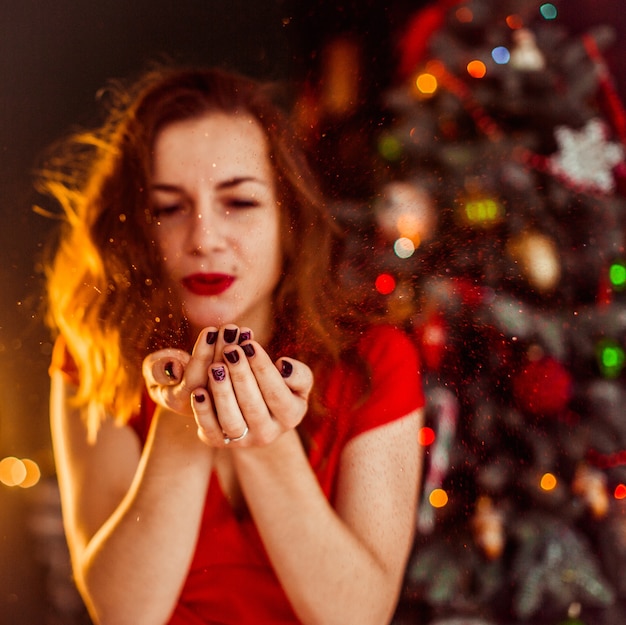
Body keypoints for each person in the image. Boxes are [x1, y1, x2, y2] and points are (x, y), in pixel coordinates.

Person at [41, 65, 425, 625]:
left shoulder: (374, 360)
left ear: (286, 217)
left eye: (239, 203)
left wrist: (263, 441)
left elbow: (358, 615)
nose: (203, 238)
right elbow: (124, 614)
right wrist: (182, 425)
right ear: (139, 228)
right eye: (169, 208)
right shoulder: (95, 349)